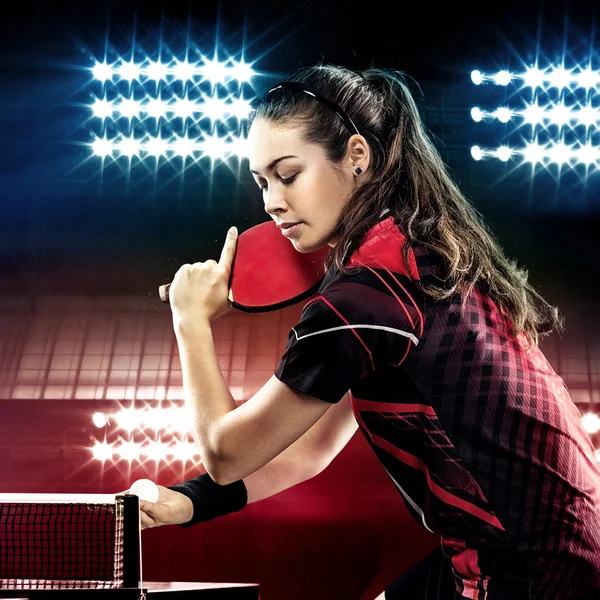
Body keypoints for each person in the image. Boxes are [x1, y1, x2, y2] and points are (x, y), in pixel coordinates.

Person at [139, 64, 600, 599]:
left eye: (288, 174)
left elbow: (227, 454)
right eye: (262, 182)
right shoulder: (416, 257)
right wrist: (191, 501)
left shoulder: (366, 297)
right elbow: (310, 448)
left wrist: (190, 321)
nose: (270, 201)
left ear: (357, 156)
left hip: (532, 574)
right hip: (539, 546)